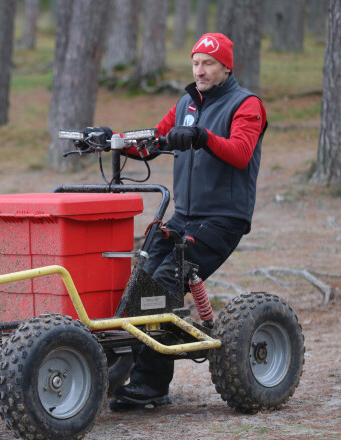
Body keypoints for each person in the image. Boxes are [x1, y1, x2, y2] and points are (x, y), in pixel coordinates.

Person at [102, 33, 268, 411]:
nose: (200, 70)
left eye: (208, 63)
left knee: (160, 285)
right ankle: (119, 365)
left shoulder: (247, 105)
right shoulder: (186, 104)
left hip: (222, 221)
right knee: (137, 279)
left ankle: (151, 386)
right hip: (183, 217)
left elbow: (241, 153)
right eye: (196, 63)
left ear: (227, 66)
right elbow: (153, 140)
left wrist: (201, 135)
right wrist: (111, 139)